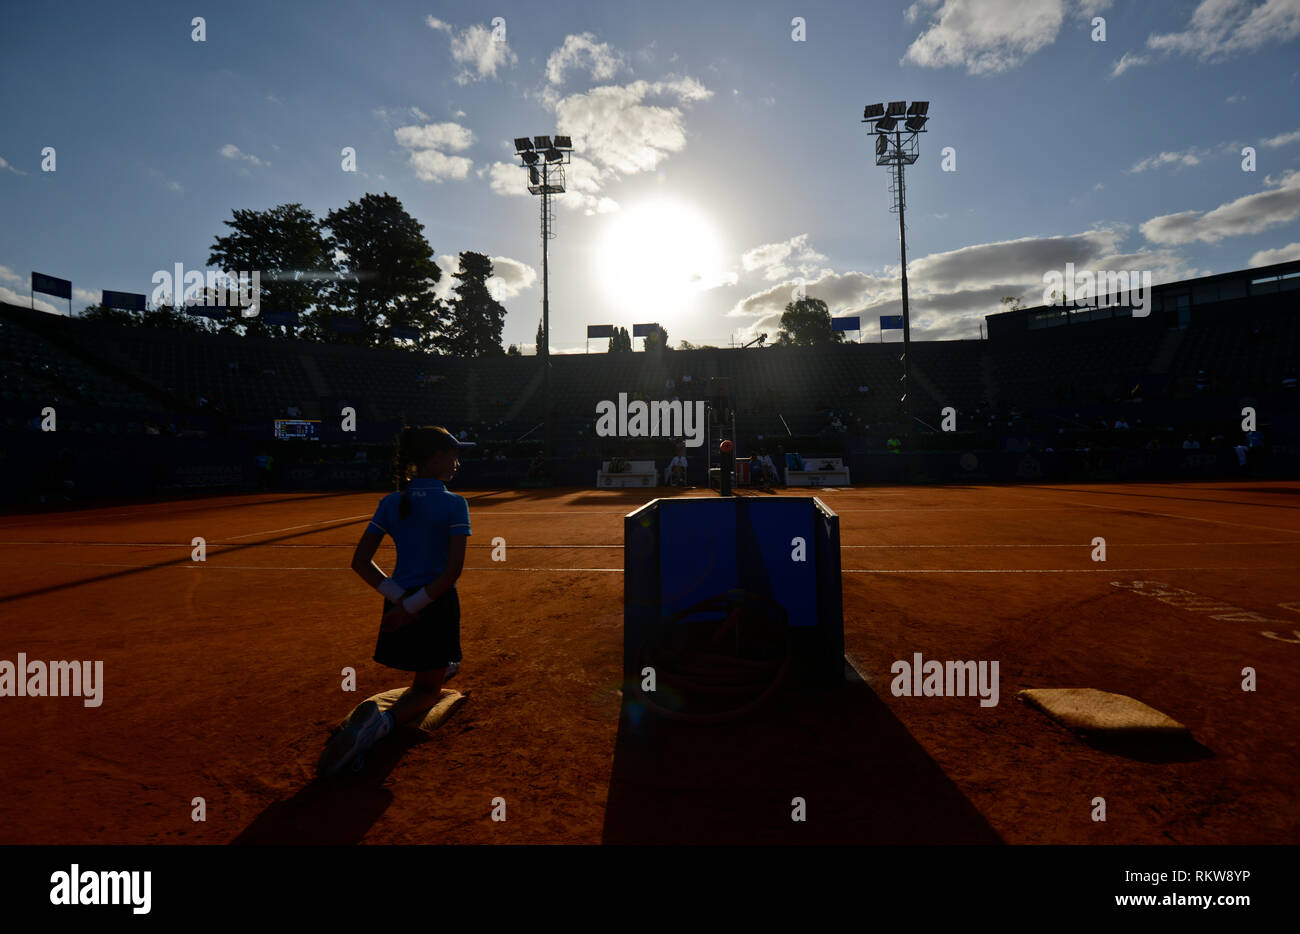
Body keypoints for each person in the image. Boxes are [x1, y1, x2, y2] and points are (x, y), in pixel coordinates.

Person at [320, 425, 474, 777]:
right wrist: (413, 607)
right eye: (453, 453)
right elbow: (451, 572)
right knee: (426, 691)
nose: (457, 462)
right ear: (435, 457)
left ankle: (441, 664)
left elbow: (360, 562)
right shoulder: (455, 504)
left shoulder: (390, 502)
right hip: (433, 607)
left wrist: (401, 603)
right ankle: (381, 727)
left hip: (398, 605)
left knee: (432, 663)